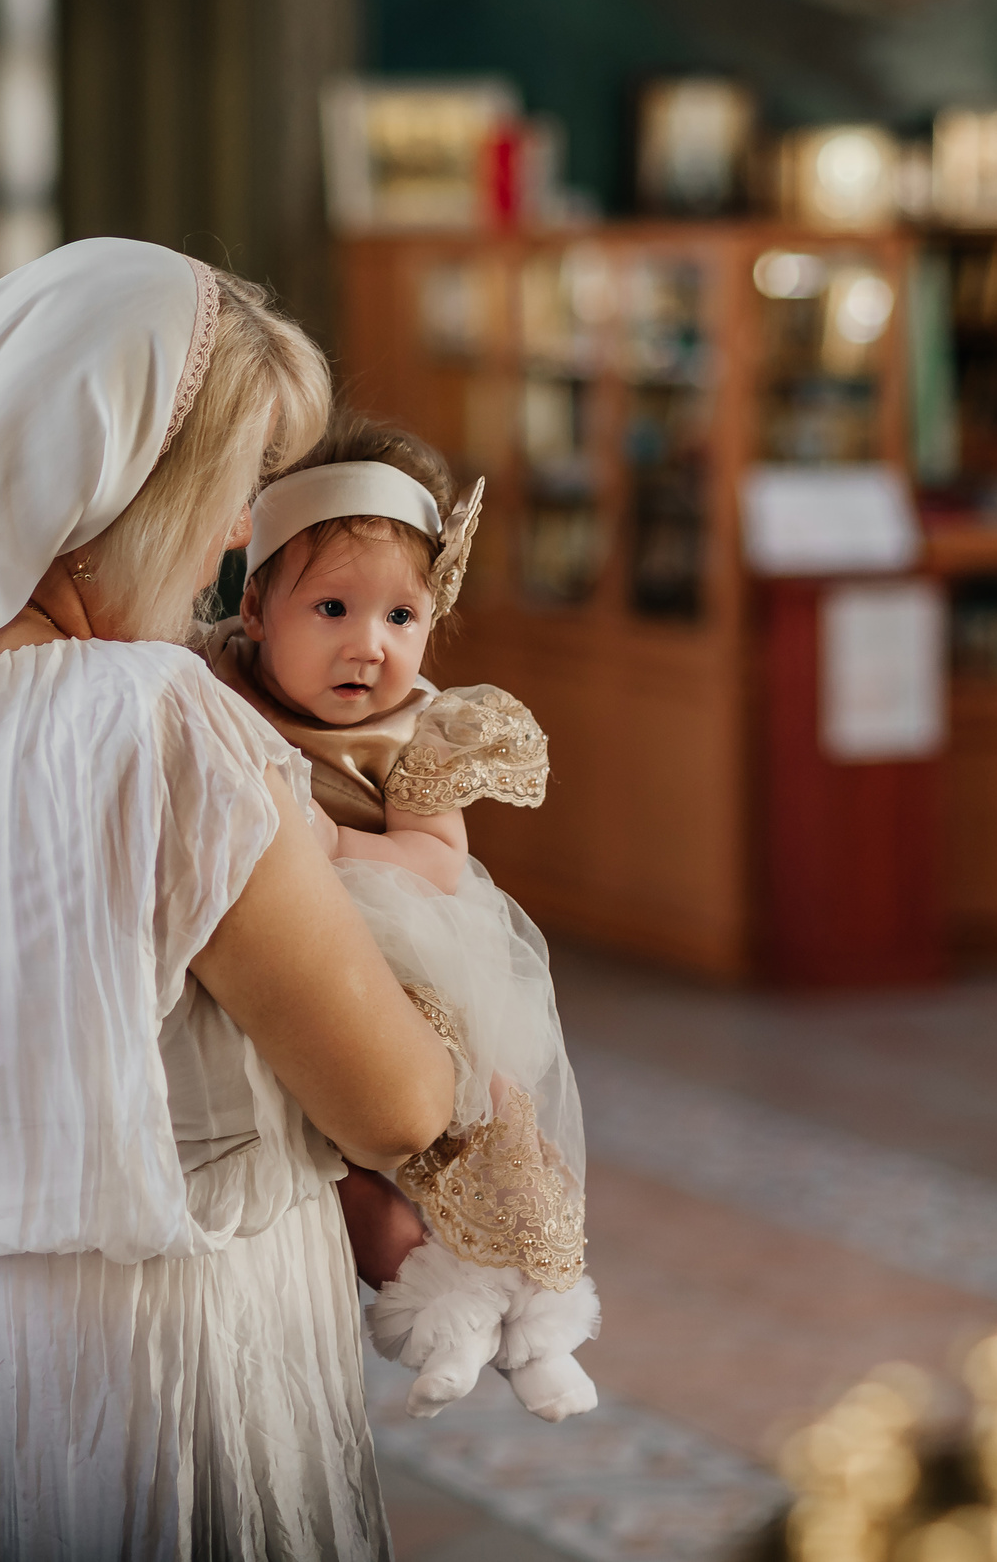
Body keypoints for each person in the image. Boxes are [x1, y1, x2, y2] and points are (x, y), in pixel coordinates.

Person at [0, 239, 455, 1559]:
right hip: (143, 1362)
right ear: (129, 485)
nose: (243, 539)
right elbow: (396, 1101)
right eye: (237, 488)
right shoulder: (145, 722)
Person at [199, 420, 599, 1425]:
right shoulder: (209, 690)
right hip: (287, 964)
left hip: (414, 946)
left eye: (400, 614)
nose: (367, 643)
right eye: (331, 606)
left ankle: (540, 1322)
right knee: (335, 1167)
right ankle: (441, 1319)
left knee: (489, 1136)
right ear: (254, 606)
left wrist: (334, 851)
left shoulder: (420, 727)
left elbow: (436, 856)